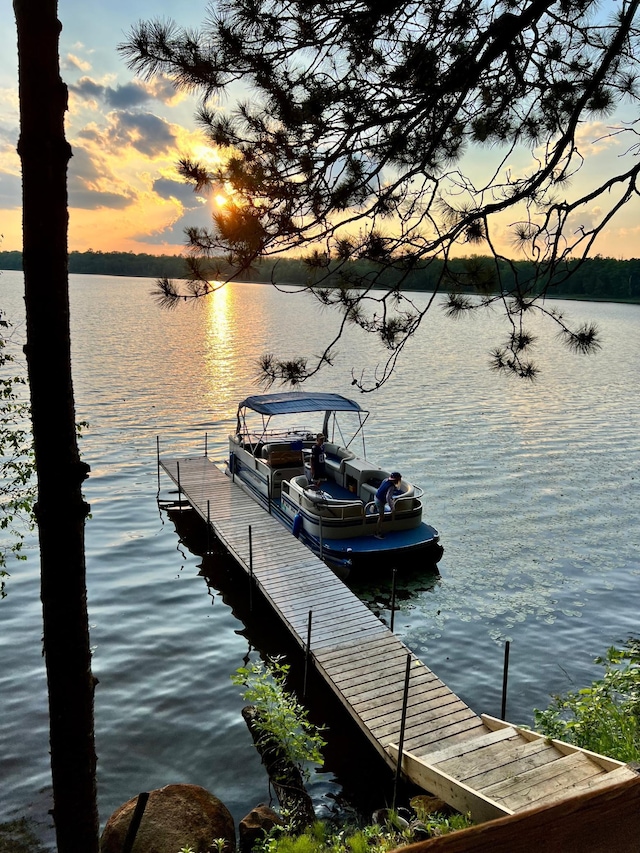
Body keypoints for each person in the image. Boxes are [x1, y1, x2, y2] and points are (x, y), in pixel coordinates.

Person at [375, 472, 402, 538]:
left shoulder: (385, 480)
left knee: (379, 506)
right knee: (381, 517)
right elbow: (388, 497)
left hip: (376, 497)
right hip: (380, 501)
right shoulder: (391, 487)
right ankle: (377, 532)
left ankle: (374, 506)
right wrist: (392, 508)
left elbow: (381, 489)